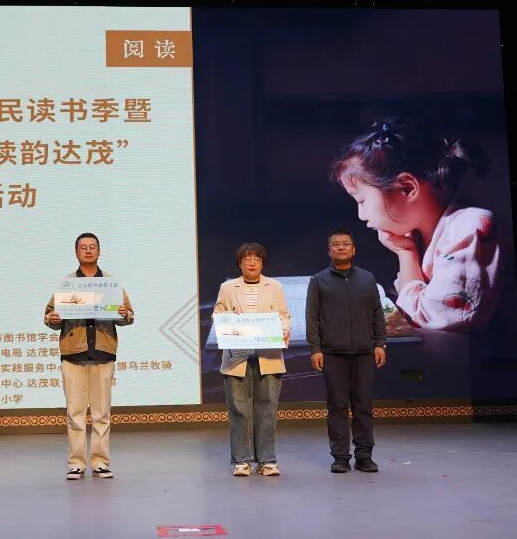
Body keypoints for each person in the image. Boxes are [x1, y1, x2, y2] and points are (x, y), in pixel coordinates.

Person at [330, 117, 501, 333]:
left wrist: (406, 254)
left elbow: (434, 319)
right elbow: (409, 309)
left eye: (361, 201)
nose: (361, 215)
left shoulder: (471, 227)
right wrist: (406, 251)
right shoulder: (417, 235)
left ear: (408, 188)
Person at [44, 233, 134, 481]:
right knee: (75, 413)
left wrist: (124, 314)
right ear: (76, 253)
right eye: (83, 247)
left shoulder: (110, 284)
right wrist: (52, 319)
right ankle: (76, 463)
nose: (88, 250)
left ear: (99, 251)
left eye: (92, 247)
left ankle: (100, 462)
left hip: (103, 354)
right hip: (73, 354)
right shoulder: (67, 284)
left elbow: (129, 315)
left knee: (101, 414)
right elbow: (50, 315)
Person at [306, 230, 386, 473]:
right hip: (332, 354)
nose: (341, 247)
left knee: (363, 406)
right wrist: (315, 349)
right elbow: (311, 318)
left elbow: (377, 313)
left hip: (364, 353)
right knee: (337, 406)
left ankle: (364, 456)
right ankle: (340, 457)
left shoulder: (367, 279)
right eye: (336, 244)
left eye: (345, 244)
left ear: (354, 249)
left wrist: (380, 343)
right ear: (329, 251)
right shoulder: (318, 280)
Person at [213, 243, 291, 477]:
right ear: (240, 263)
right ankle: (241, 460)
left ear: (262, 262)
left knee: (267, 409)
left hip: (268, 355)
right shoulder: (228, 287)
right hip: (237, 357)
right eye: (247, 258)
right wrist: (229, 318)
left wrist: (284, 330)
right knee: (239, 410)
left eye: (256, 258)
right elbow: (217, 314)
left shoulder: (275, 287)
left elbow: (284, 316)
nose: (252, 262)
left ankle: (267, 460)